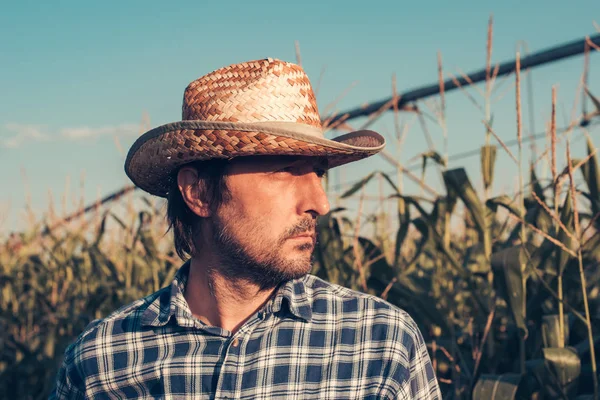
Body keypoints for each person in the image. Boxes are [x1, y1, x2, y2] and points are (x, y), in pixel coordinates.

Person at [50, 58, 441, 399]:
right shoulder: (102, 360)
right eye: (285, 171)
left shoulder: (380, 345)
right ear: (198, 192)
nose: (320, 203)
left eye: (319, 174)